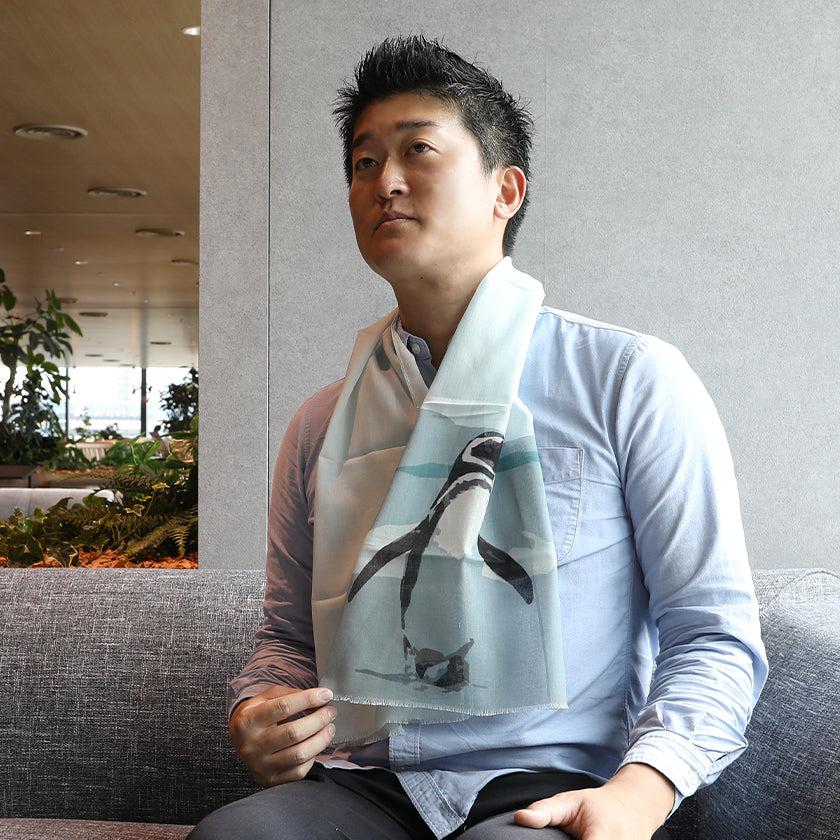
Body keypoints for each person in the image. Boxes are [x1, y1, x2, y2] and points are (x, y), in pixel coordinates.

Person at [189, 34, 768, 840]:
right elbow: (287, 642)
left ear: (506, 189)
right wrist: (258, 709)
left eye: (417, 150)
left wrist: (641, 792)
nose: (384, 181)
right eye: (363, 163)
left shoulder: (628, 380)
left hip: (555, 783)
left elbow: (712, 634)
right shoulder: (321, 425)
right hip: (366, 786)